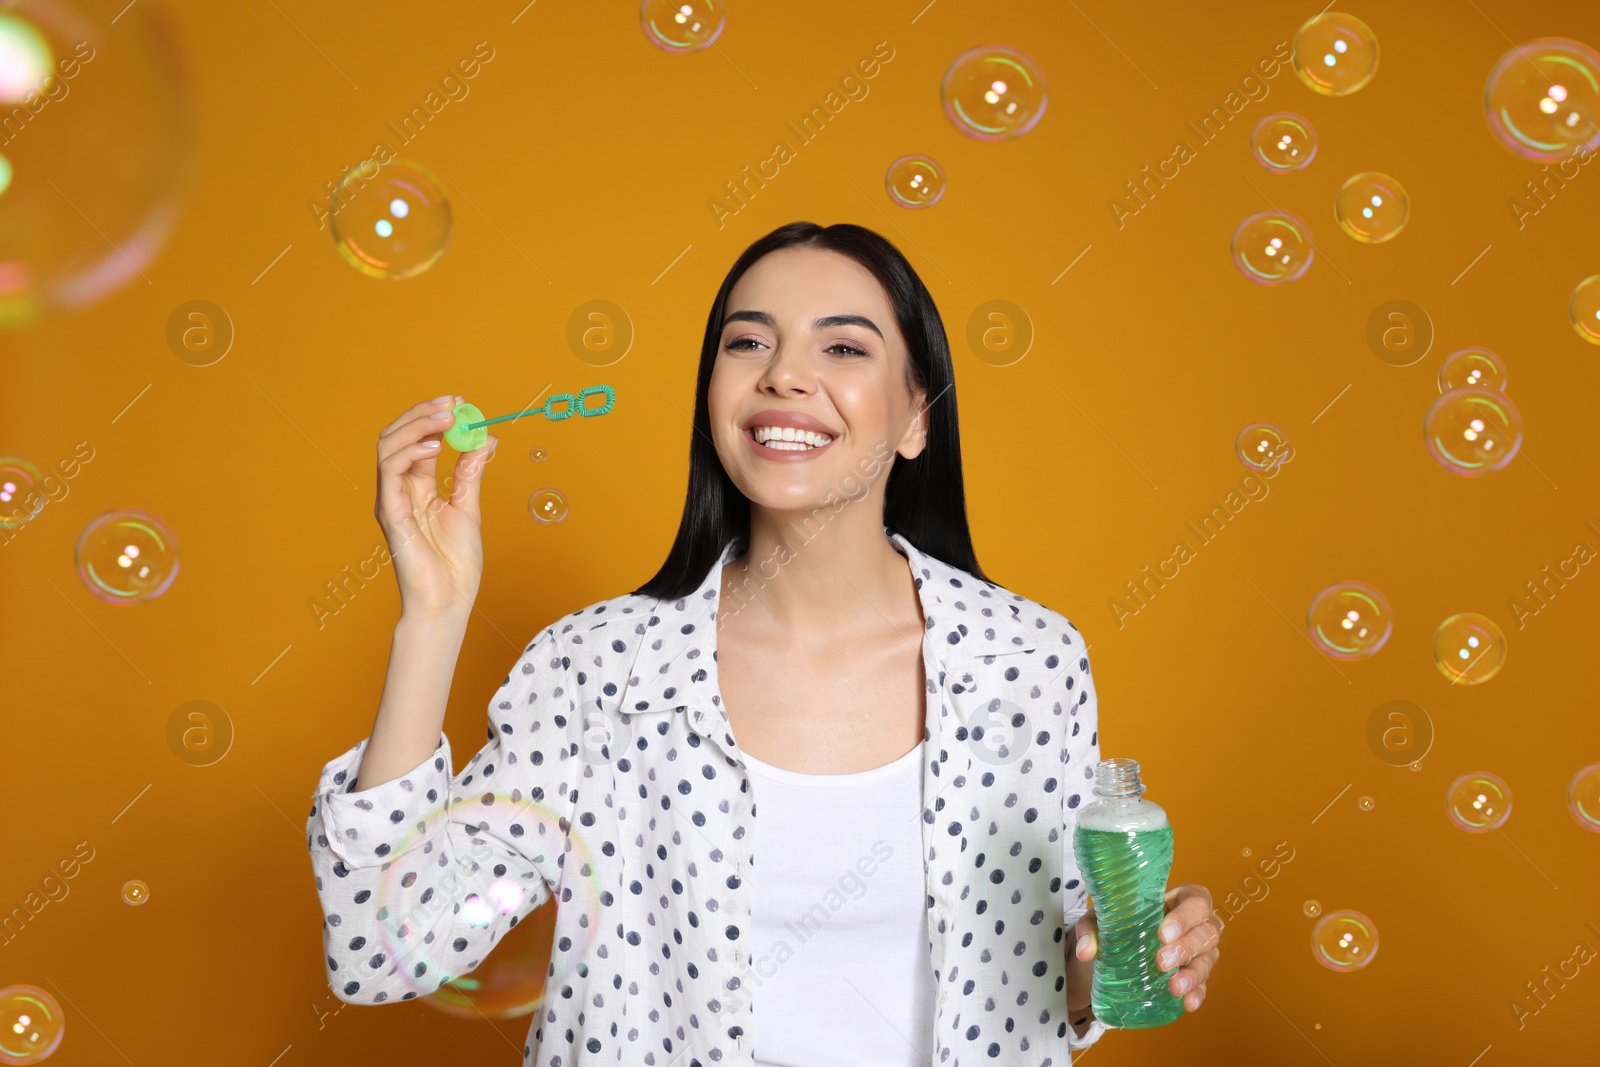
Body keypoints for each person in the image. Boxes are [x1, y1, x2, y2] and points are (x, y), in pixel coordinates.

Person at [305, 221, 1221, 1065]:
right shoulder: (598, 672)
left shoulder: (1027, 662)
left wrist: (1128, 959)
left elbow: (1054, 992)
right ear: (713, 398)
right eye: (748, 342)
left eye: (844, 346)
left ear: (917, 417)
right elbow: (384, 950)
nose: (783, 373)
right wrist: (433, 613)